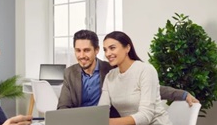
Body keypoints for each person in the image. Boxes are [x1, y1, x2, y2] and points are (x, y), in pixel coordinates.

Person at [57, 30, 199, 114]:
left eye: (86, 50)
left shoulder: (111, 70)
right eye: (78, 50)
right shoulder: (70, 73)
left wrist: (182, 94)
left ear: (96, 50)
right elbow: (63, 107)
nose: (82, 56)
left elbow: (148, 88)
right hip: (78, 124)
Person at [98, 31, 180, 125]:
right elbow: (101, 109)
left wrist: (108, 122)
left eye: (112, 48)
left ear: (127, 48)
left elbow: (145, 116)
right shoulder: (110, 76)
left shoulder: (145, 70)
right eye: (105, 50)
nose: (108, 54)